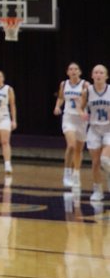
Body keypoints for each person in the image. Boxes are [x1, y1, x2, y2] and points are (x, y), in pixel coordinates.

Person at [53, 62, 88, 190]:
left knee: (79, 150)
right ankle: (67, 172)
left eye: (76, 69)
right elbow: (61, 98)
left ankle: (76, 174)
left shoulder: (85, 85)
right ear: (68, 72)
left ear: (80, 72)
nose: (73, 71)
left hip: (81, 120)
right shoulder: (64, 84)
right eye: (71, 69)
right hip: (68, 118)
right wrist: (57, 106)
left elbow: (89, 100)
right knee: (71, 145)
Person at [86, 64, 110, 205]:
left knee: (105, 160)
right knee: (95, 163)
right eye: (96, 72)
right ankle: (97, 190)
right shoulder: (87, 91)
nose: (98, 74)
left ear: (106, 76)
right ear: (92, 75)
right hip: (94, 129)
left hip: (109, 129)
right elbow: (80, 105)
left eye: (101, 72)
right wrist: (82, 112)